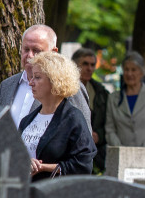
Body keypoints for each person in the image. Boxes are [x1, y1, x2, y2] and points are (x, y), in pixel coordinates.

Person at [0, 24, 92, 133]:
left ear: (53, 52)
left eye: (37, 51)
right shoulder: (7, 86)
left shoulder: (68, 87)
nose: (30, 56)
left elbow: (84, 136)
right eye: (26, 49)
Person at [18, 51, 96, 179]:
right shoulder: (27, 120)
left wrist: (44, 167)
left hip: (55, 194)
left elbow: (83, 164)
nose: (31, 82)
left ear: (55, 80)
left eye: (37, 77)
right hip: (24, 194)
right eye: (31, 77)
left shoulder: (73, 119)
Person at [106, 51, 145, 147]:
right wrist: (121, 149)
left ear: (141, 72)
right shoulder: (113, 98)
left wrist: (144, 149)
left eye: (133, 70)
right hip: (121, 155)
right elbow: (110, 129)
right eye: (126, 70)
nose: (129, 73)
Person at [72, 48, 110, 173]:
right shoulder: (64, 90)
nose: (89, 69)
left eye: (92, 65)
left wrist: (99, 135)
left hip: (96, 154)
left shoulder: (101, 92)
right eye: (85, 64)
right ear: (74, 65)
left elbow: (109, 123)